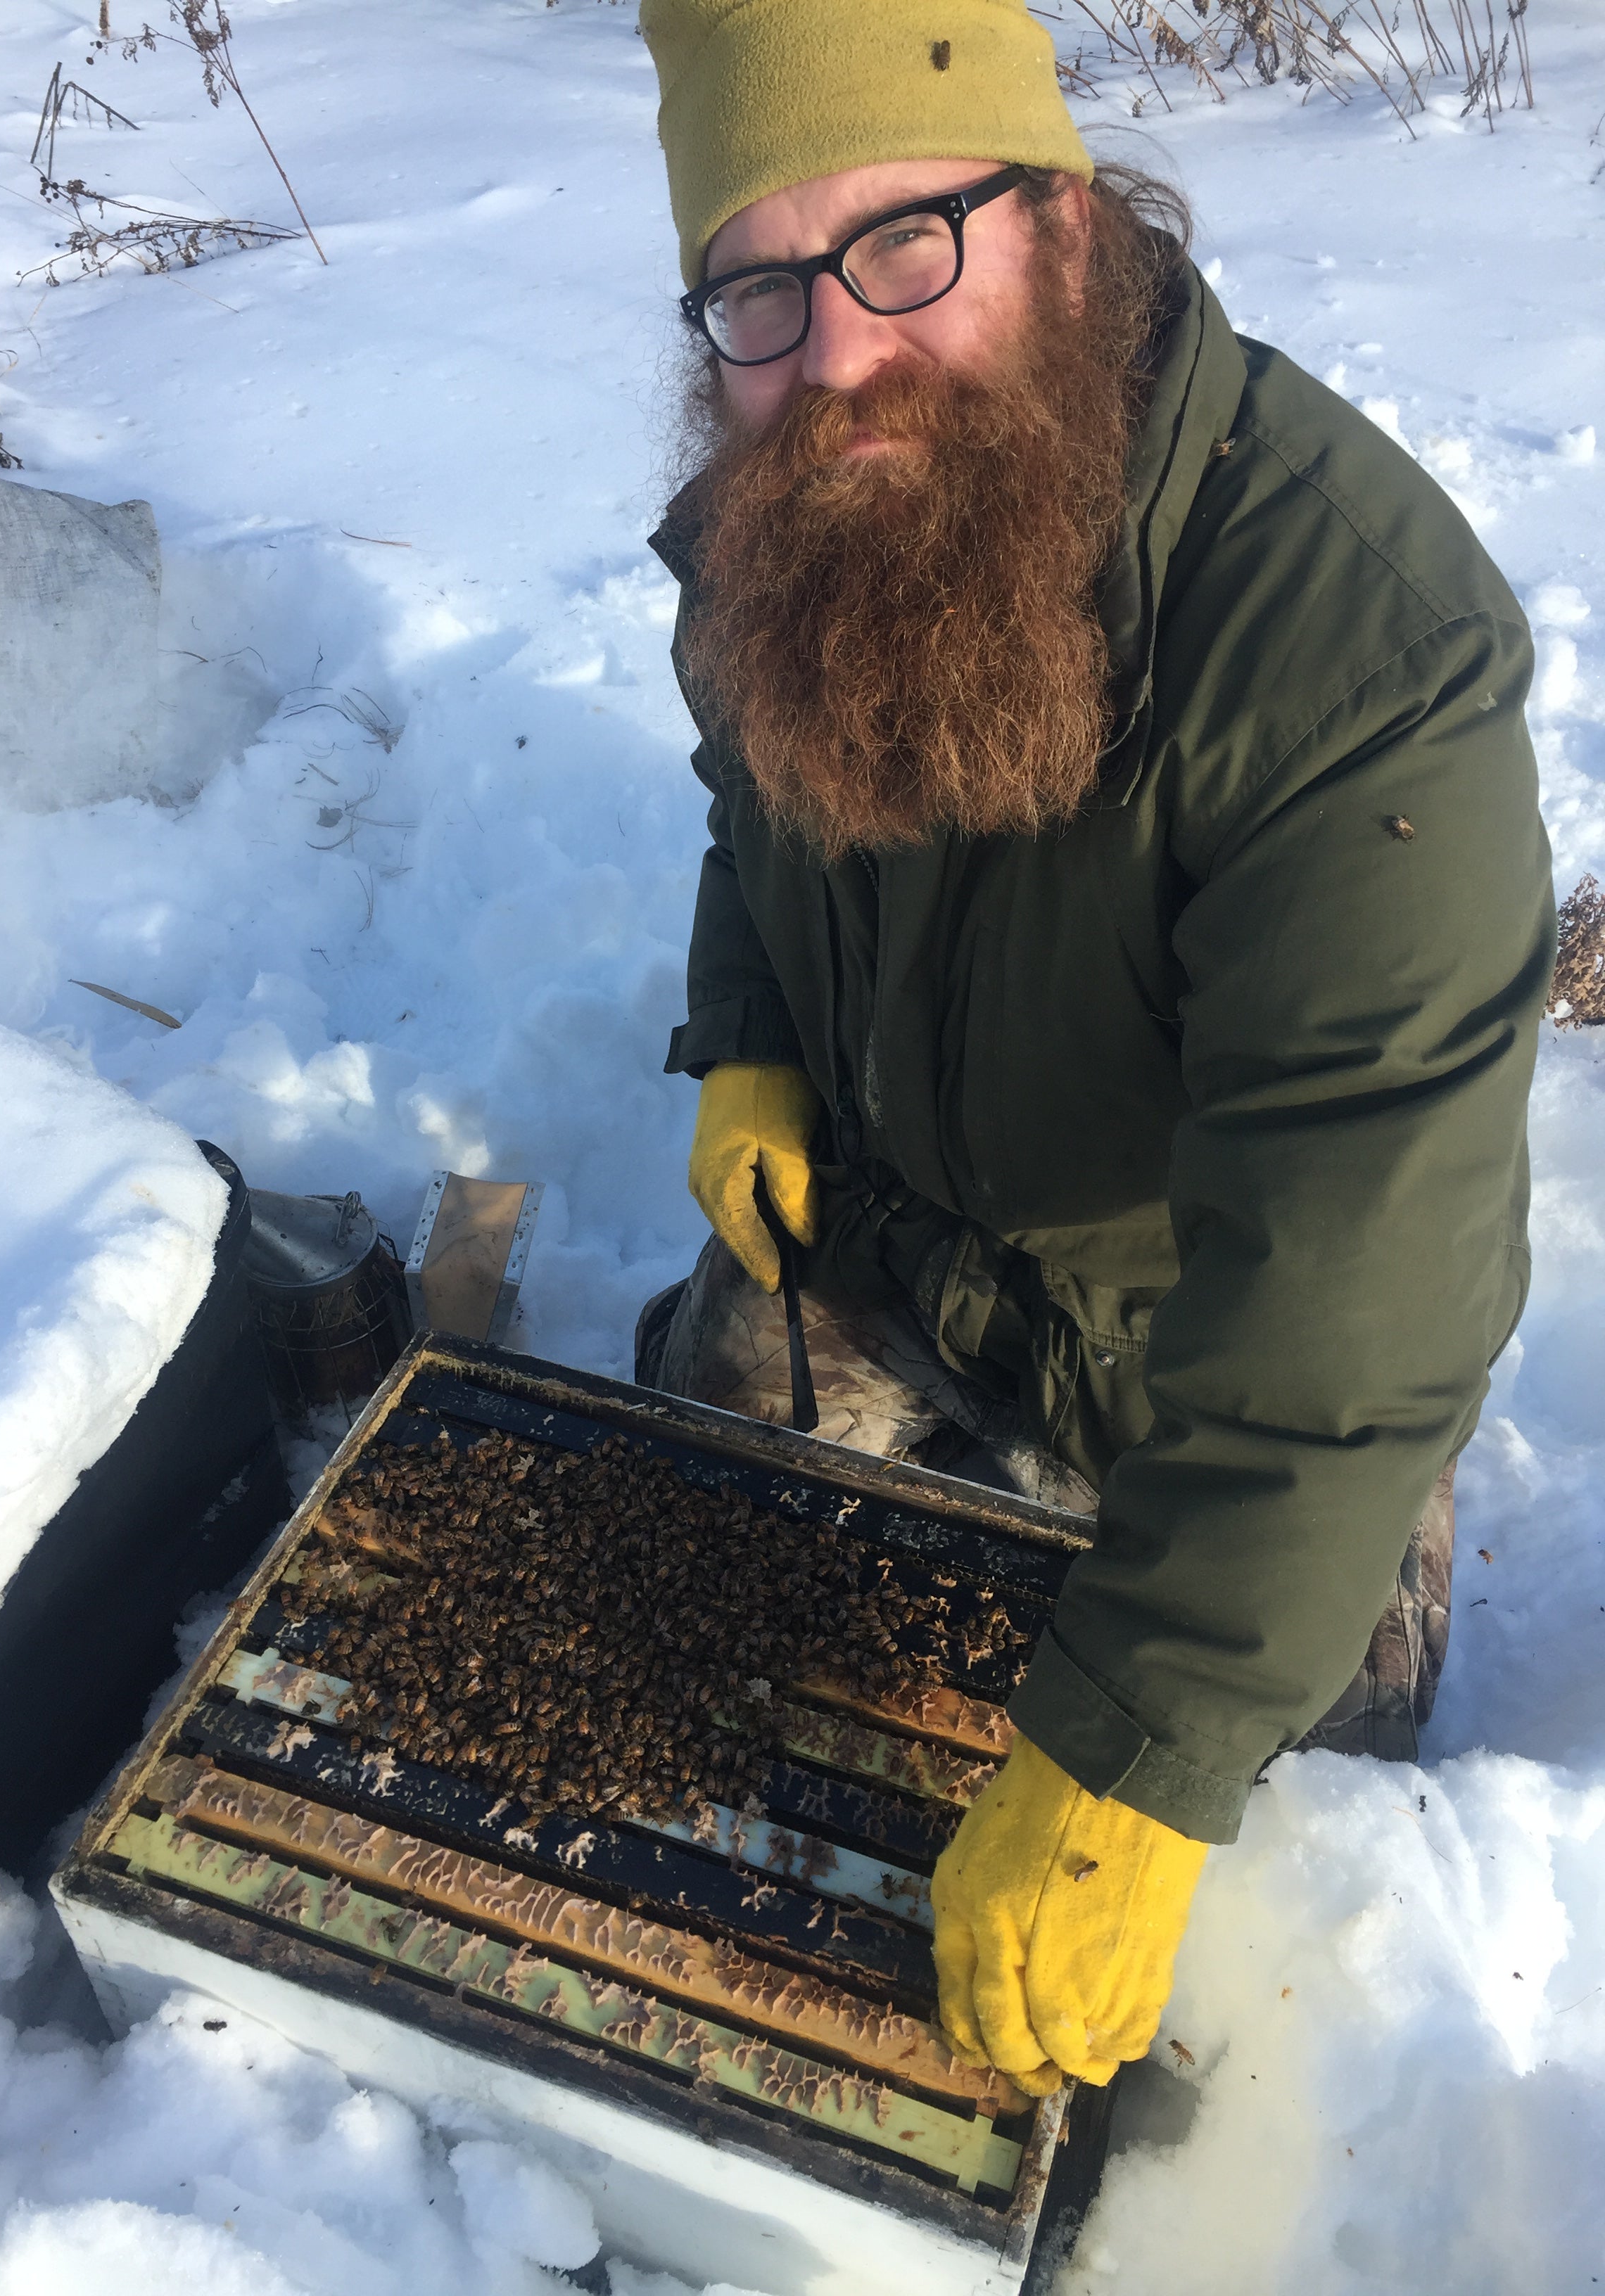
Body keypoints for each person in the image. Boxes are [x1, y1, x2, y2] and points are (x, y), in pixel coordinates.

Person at [632, 0, 1554, 2100]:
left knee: (1287, 1753)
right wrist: (750, 1031)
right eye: (759, 290)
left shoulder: (1353, 653)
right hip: (896, 1220)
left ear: (1060, 219)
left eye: (905, 243)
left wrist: (1142, 1751)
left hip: (1209, 1338)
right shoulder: (783, 506)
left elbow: (1359, 1279)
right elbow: (750, 790)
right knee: (677, 1509)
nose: (837, 355)